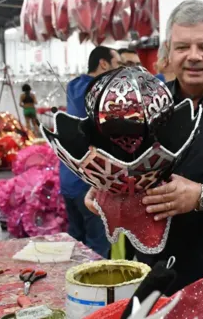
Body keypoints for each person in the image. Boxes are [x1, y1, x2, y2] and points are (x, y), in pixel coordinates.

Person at [86, 0, 203, 294]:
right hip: (150, 265)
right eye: (183, 47)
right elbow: (126, 161)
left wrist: (200, 195)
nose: (193, 57)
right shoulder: (145, 105)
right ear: (169, 51)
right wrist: (105, 184)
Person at [60, 46, 120, 258]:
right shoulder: (101, 91)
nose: (121, 71)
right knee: (97, 250)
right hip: (90, 183)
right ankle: (93, 291)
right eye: (118, 64)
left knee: (76, 244)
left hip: (69, 179)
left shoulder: (74, 85)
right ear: (104, 64)